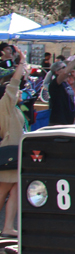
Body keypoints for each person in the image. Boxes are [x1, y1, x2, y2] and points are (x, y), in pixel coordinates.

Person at [0, 50, 28, 237]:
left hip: (16, 152)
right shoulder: (5, 104)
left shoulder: (14, 106)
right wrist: (22, 62)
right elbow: (14, 84)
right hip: (8, 151)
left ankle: (8, 226)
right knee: (3, 191)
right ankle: (7, 226)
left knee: (15, 189)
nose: (19, 93)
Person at [48, 51, 75, 126]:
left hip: (68, 120)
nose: (67, 69)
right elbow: (64, 73)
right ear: (57, 72)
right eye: (64, 67)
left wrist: (74, 77)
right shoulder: (55, 84)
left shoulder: (65, 84)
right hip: (59, 121)